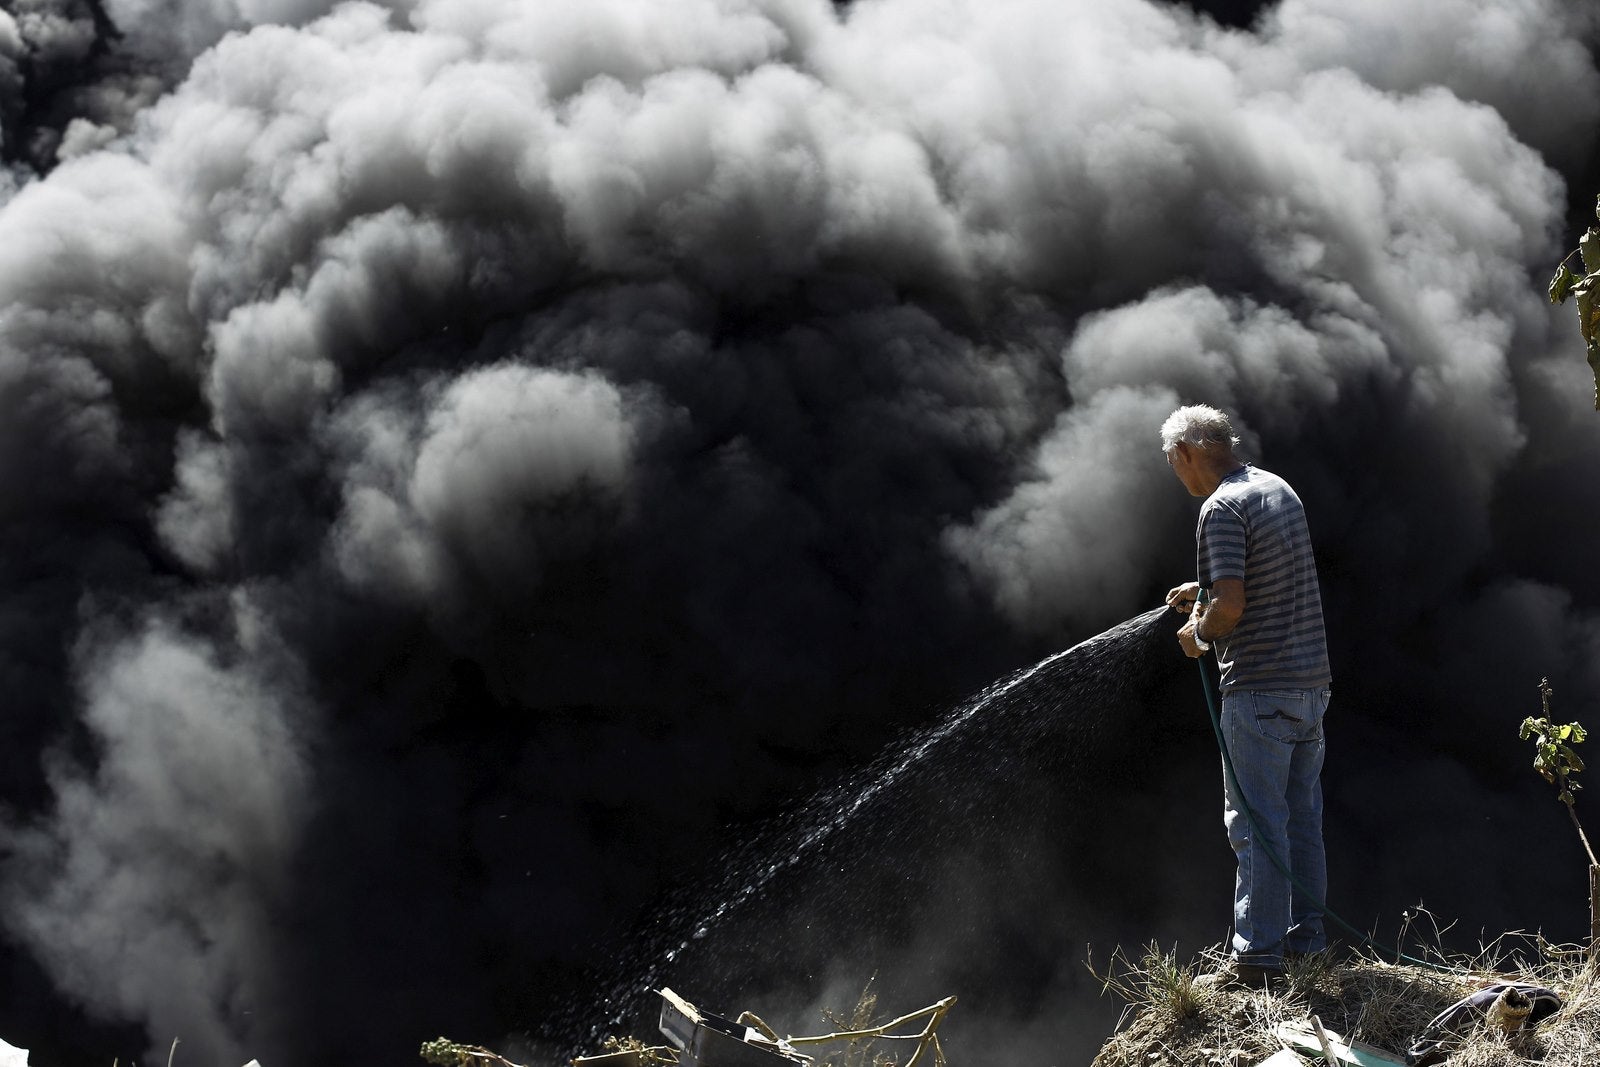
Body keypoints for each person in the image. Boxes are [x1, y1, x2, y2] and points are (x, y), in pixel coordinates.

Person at [1160, 404, 1332, 989]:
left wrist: (1199, 632)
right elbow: (1258, 575)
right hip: (1311, 687)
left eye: (1172, 464)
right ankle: (1308, 945)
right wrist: (1203, 587)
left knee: (1256, 823)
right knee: (1302, 819)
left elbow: (1230, 608)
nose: (1177, 477)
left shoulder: (1219, 507)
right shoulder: (1275, 488)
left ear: (1186, 454)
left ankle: (1257, 960)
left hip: (1260, 692)